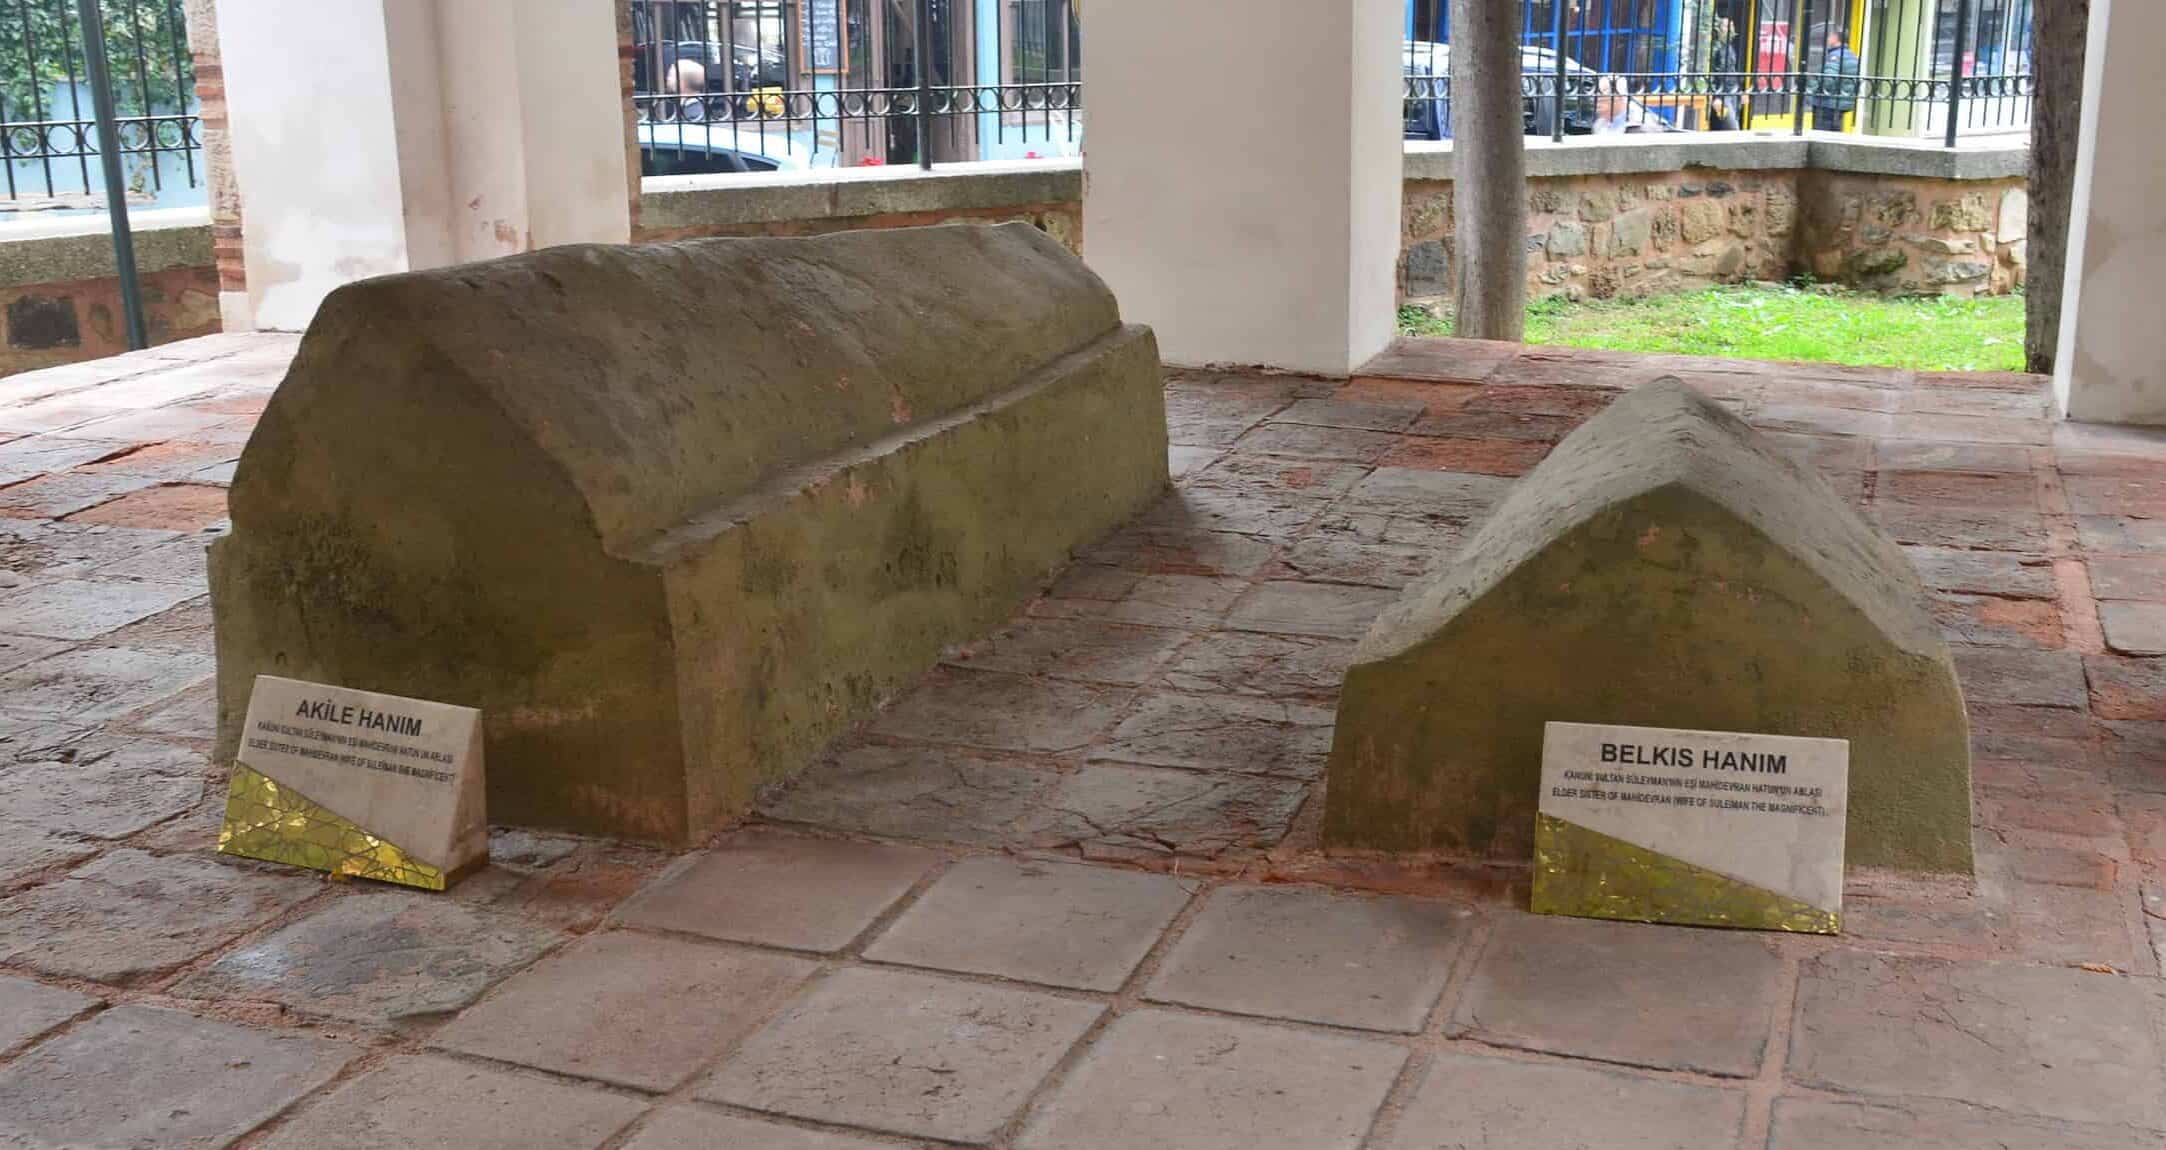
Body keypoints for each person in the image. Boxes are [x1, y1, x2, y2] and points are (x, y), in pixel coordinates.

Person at [1810, 24, 1861, 133]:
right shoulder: (1851, 55)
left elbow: (1828, 80)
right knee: (1835, 134)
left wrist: (1815, 89)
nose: (1828, 38)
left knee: (1822, 136)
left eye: (1830, 36)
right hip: (1840, 103)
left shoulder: (1835, 56)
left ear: (1836, 38)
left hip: (1828, 104)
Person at [1708, 16, 1742, 131]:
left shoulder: (1730, 47)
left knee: (1727, 127)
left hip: (1733, 92)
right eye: (1726, 26)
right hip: (1723, 95)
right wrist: (1717, 97)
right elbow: (1714, 73)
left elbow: (1732, 71)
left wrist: (1740, 91)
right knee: (1732, 128)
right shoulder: (1717, 49)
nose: (1730, 29)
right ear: (1719, 29)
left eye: (1731, 26)